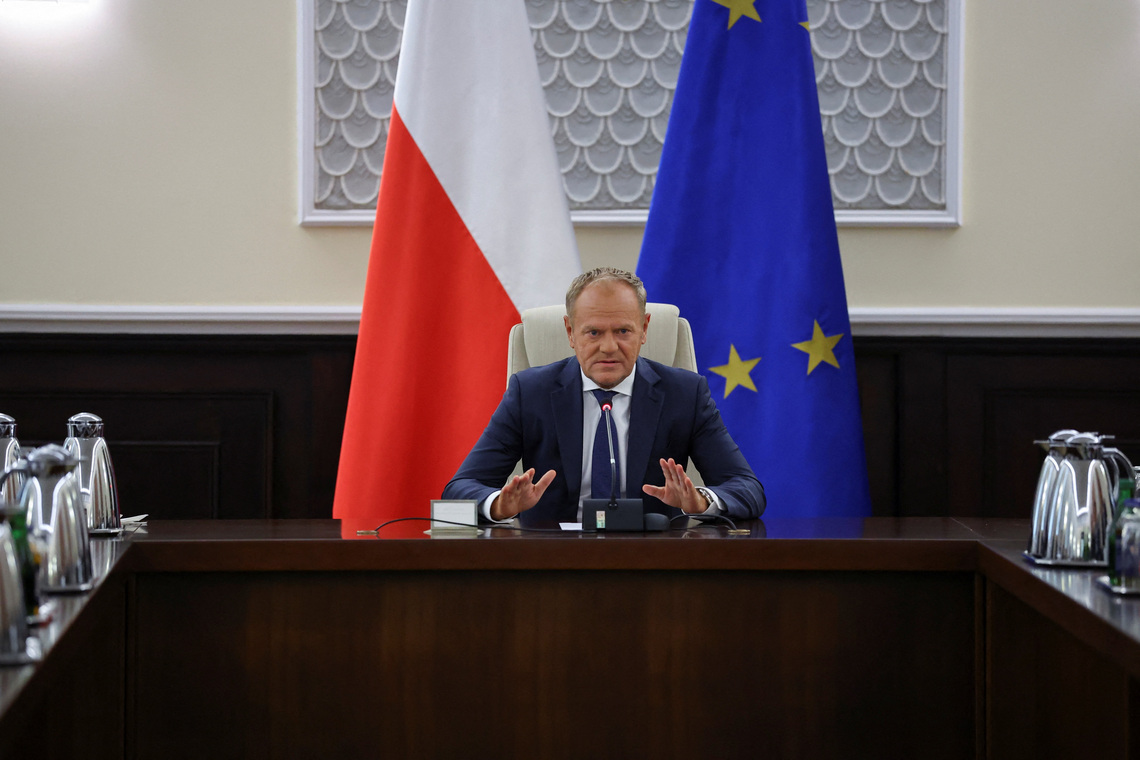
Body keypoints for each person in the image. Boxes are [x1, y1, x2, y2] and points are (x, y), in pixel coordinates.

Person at [443, 268, 765, 526]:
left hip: (655, 563)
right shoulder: (531, 393)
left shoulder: (685, 394)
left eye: (623, 331)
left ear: (644, 329)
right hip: (552, 565)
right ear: (570, 332)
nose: (608, 347)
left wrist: (700, 501)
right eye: (593, 332)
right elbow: (459, 490)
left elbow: (747, 489)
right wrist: (499, 505)